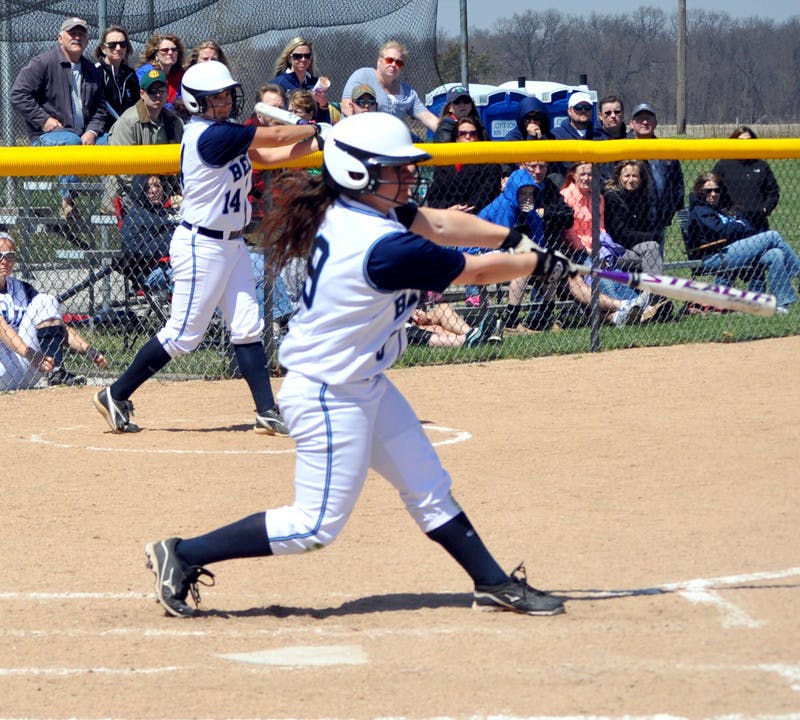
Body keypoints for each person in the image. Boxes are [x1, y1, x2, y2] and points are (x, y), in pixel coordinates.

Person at [143, 111, 575, 619]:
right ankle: (183, 553)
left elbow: (438, 221)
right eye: (396, 169)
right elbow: (474, 270)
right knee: (313, 527)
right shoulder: (383, 247)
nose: (409, 176)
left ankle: (492, 582)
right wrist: (538, 261)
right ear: (358, 173)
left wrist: (511, 240)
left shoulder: (363, 211)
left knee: (428, 485)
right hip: (328, 392)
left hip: (362, 380)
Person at [92, 61, 326, 436]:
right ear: (197, 103)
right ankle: (115, 393)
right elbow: (275, 139)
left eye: (225, 95)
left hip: (232, 245)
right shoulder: (208, 136)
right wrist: (312, 127)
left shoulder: (225, 132)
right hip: (202, 244)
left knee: (248, 326)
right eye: (214, 97)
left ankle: (266, 409)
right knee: (183, 336)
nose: (224, 101)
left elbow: (267, 158)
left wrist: (318, 143)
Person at [11, 16, 108, 221]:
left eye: (81, 33)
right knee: (70, 141)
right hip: (47, 137)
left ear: (87, 39)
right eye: (72, 33)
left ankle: (111, 203)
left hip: (84, 136)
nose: (77, 37)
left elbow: (100, 108)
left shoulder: (92, 70)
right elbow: (18, 94)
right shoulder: (43, 63)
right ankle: (68, 203)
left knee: (112, 141)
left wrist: (92, 131)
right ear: (60, 37)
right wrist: (44, 120)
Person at [1, 232, 108, 390]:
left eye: (9, 255)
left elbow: (55, 326)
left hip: (27, 366)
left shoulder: (22, 289)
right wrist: (33, 356)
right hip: (5, 367)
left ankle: (56, 371)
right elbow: (3, 330)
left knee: (46, 300)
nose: (4, 261)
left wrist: (88, 349)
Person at [687, 172, 799, 313]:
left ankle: (781, 305)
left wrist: (737, 227)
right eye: (708, 190)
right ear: (700, 192)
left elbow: (747, 226)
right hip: (713, 257)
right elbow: (722, 231)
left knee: (775, 254)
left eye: (717, 190)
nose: (713, 194)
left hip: (731, 250)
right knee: (773, 236)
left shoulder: (722, 209)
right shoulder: (700, 210)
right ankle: (799, 273)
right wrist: (739, 226)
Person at [105, 67, 184, 210]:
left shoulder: (174, 122)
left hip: (164, 191)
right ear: (142, 94)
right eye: (152, 91)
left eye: (161, 91)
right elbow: (122, 168)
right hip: (128, 192)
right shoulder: (128, 122)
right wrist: (149, 188)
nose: (157, 95)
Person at [340, 40, 438, 133]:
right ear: (379, 61)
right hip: (357, 137)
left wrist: (446, 131)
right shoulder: (362, 75)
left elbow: (428, 117)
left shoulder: (408, 93)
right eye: (389, 60)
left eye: (399, 63)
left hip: (392, 141)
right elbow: (346, 107)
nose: (393, 65)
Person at [627, 103, 684, 242]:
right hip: (628, 224)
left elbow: (678, 186)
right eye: (640, 119)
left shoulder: (665, 151)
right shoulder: (622, 148)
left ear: (656, 122)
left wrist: (668, 213)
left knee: (655, 261)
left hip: (657, 222)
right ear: (632, 123)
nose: (645, 122)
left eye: (649, 118)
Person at [425, 117, 501, 214]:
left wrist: (465, 207)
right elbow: (434, 196)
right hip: (448, 216)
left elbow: (487, 193)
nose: (468, 137)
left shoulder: (489, 164)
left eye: (473, 134)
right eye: (462, 134)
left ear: (478, 138)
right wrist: (448, 210)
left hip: (479, 215)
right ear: (456, 138)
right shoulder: (444, 165)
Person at [712, 126, 780, 233]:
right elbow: (713, 189)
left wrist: (765, 209)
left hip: (758, 222)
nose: (745, 144)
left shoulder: (761, 166)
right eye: (740, 141)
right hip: (733, 222)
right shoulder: (723, 165)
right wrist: (724, 211)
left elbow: (773, 192)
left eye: (748, 141)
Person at [118, 174, 180, 291]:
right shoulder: (137, 214)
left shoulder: (168, 211)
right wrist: (176, 243)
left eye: (157, 185)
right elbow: (131, 246)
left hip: (178, 262)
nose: (154, 190)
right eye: (147, 187)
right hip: (152, 270)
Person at [603, 160, 663, 274]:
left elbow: (648, 224)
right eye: (627, 176)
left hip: (639, 244)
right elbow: (620, 233)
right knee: (651, 255)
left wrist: (651, 236)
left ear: (641, 178)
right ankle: (654, 290)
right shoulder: (612, 196)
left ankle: (653, 290)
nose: (630, 180)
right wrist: (652, 236)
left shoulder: (643, 196)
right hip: (618, 246)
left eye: (635, 176)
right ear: (619, 177)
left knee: (652, 248)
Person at [271, 36, 331, 124]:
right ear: (289, 58)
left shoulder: (315, 84)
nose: (303, 59)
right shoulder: (278, 84)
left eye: (307, 56)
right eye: (297, 56)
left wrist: (323, 105)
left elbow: (324, 123)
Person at [94, 25, 139, 136]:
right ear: (103, 49)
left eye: (122, 44)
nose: (118, 48)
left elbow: (137, 103)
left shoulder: (130, 74)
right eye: (112, 45)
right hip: (105, 131)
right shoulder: (96, 72)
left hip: (129, 128)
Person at [136, 33, 186, 112]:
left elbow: (183, 99)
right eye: (165, 50)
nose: (170, 53)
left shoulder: (180, 74)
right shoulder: (145, 72)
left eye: (174, 50)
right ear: (156, 54)